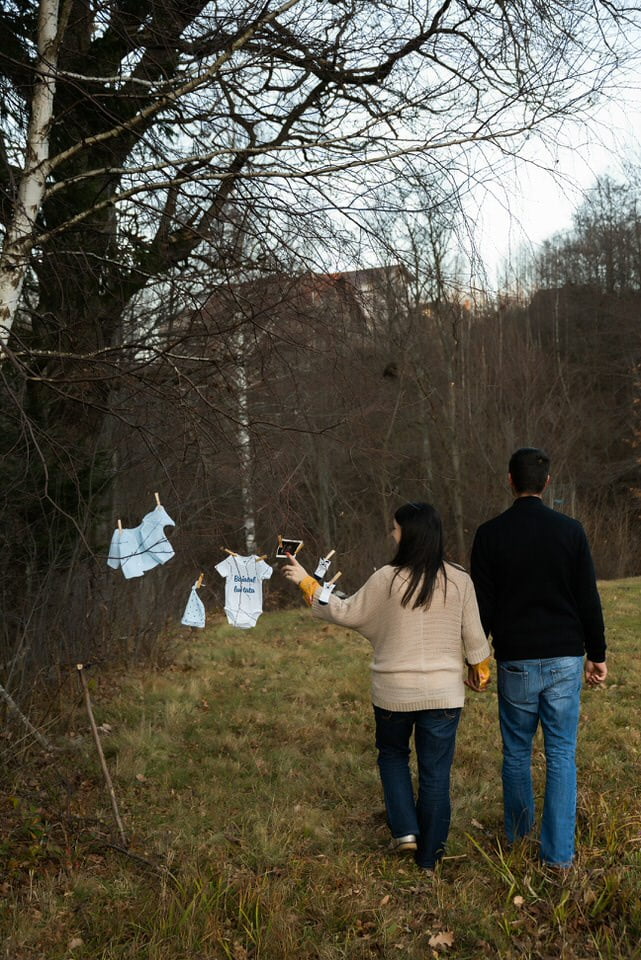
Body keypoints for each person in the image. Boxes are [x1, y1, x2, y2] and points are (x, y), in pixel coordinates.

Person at [282, 502, 491, 871]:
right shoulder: (460, 580)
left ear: (408, 533)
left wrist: (306, 582)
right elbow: (475, 637)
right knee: (436, 774)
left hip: (394, 692)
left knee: (393, 756)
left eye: (395, 528)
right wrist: (479, 669)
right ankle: (430, 858)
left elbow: (344, 610)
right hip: (444, 694)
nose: (392, 534)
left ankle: (406, 830)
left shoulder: (386, 579)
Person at [470, 447, 607, 867]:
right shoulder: (570, 531)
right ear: (546, 483)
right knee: (561, 753)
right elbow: (588, 597)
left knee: (517, 752)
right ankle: (558, 855)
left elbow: (481, 607)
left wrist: (476, 658)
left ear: (510, 481)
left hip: (516, 659)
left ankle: (518, 839)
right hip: (565, 657)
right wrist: (597, 653)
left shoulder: (489, 535)